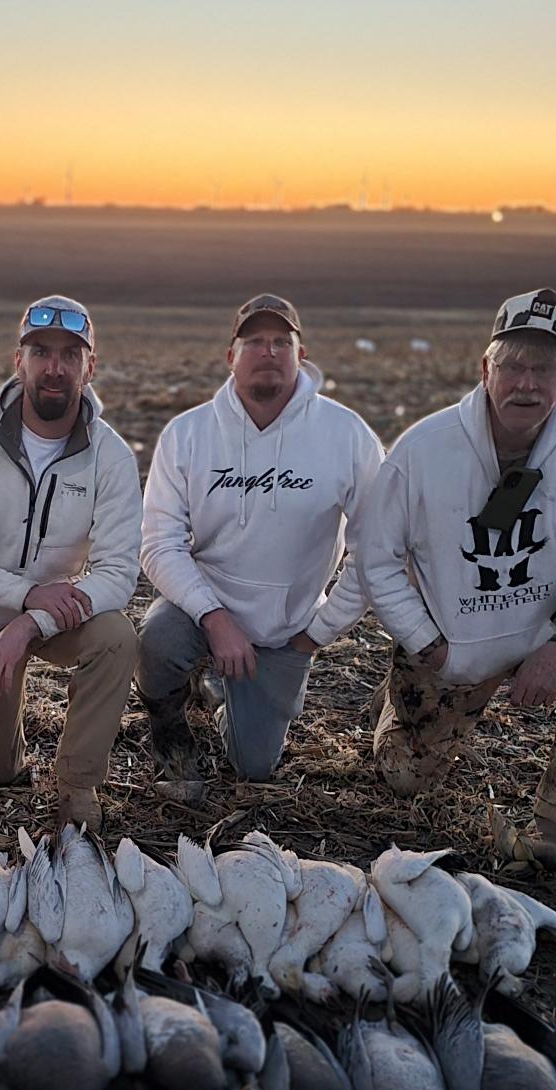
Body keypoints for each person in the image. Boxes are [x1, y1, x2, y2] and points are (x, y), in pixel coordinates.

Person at [359, 288, 556, 872]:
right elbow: (374, 557)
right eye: (513, 365)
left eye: (545, 369)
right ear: (486, 368)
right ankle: (393, 712)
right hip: (450, 643)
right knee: (407, 781)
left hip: (542, 631)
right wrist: (423, 640)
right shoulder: (423, 450)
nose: (527, 383)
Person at [136, 294, 385, 800]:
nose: (267, 351)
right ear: (231, 355)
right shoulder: (188, 435)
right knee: (157, 642)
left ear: (301, 353)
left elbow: (374, 552)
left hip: (286, 629)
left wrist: (314, 634)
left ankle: (232, 695)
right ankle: (172, 733)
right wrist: (214, 617)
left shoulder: (347, 436)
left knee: (254, 768)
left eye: (280, 341)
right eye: (253, 341)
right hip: (207, 609)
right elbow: (159, 545)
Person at [0, 295, 144, 834]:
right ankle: (8, 747)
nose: (55, 367)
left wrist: (32, 619)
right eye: (41, 351)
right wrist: (21, 596)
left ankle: (76, 785)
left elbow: (118, 573)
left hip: (53, 615)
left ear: (90, 367)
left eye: (71, 355)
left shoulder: (111, 456)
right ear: (17, 360)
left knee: (117, 637)